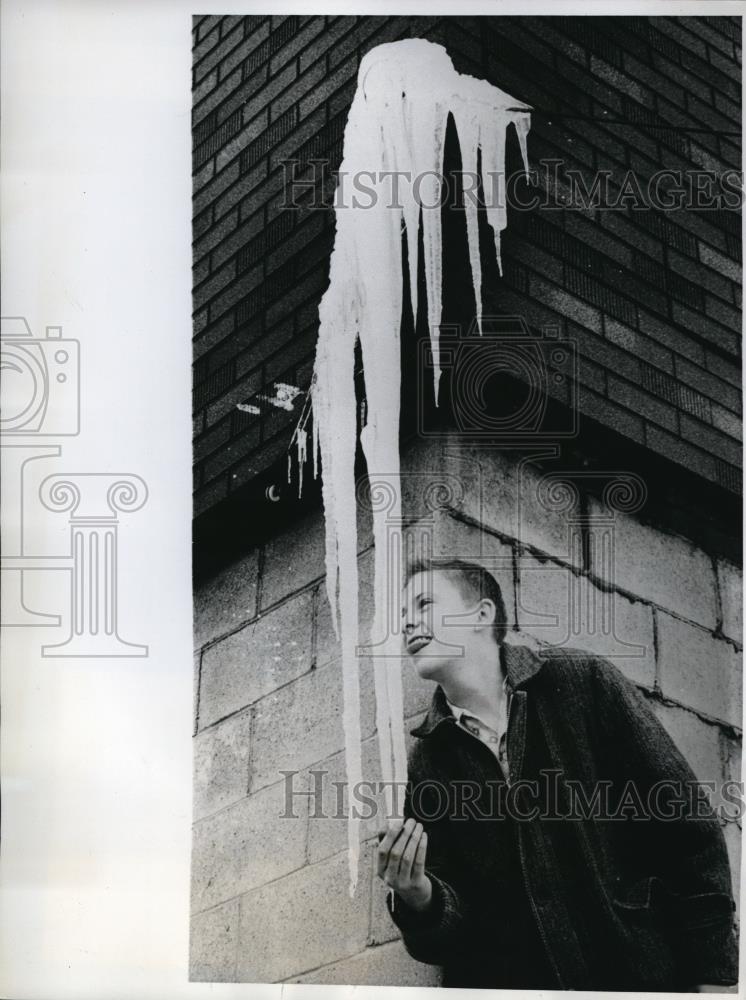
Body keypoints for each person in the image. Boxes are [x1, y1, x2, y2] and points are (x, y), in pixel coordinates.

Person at [377, 557, 739, 991]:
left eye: (425, 604)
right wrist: (418, 895)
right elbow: (449, 934)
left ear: (482, 614)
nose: (408, 624)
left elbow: (687, 831)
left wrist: (715, 976)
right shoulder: (428, 761)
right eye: (401, 617)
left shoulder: (584, 682)